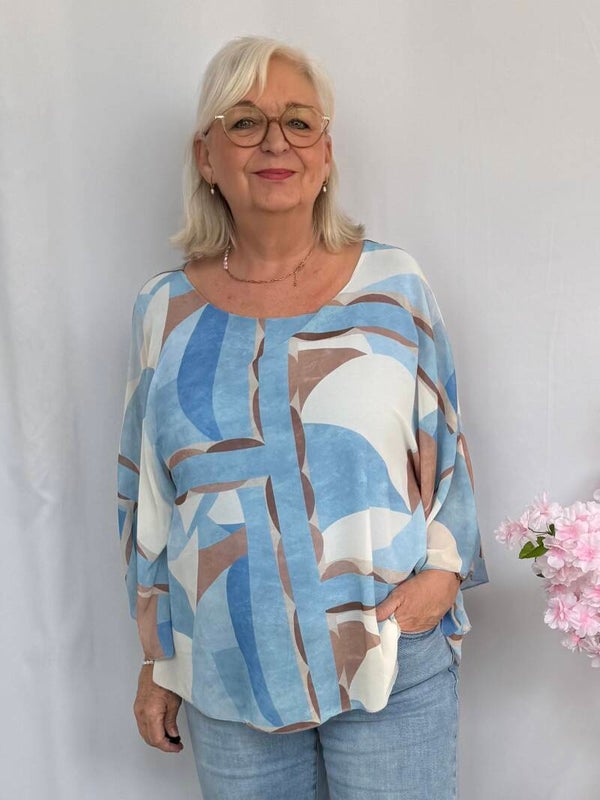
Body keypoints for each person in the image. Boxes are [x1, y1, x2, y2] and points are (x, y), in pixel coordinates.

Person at [117, 35, 488, 800]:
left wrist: (442, 576)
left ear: (325, 152)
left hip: (387, 654)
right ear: (206, 156)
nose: (275, 142)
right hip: (225, 670)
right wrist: (158, 659)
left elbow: (444, 446)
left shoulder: (393, 288)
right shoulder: (162, 312)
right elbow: (147, 495)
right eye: (245, 122)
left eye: (298, 121)